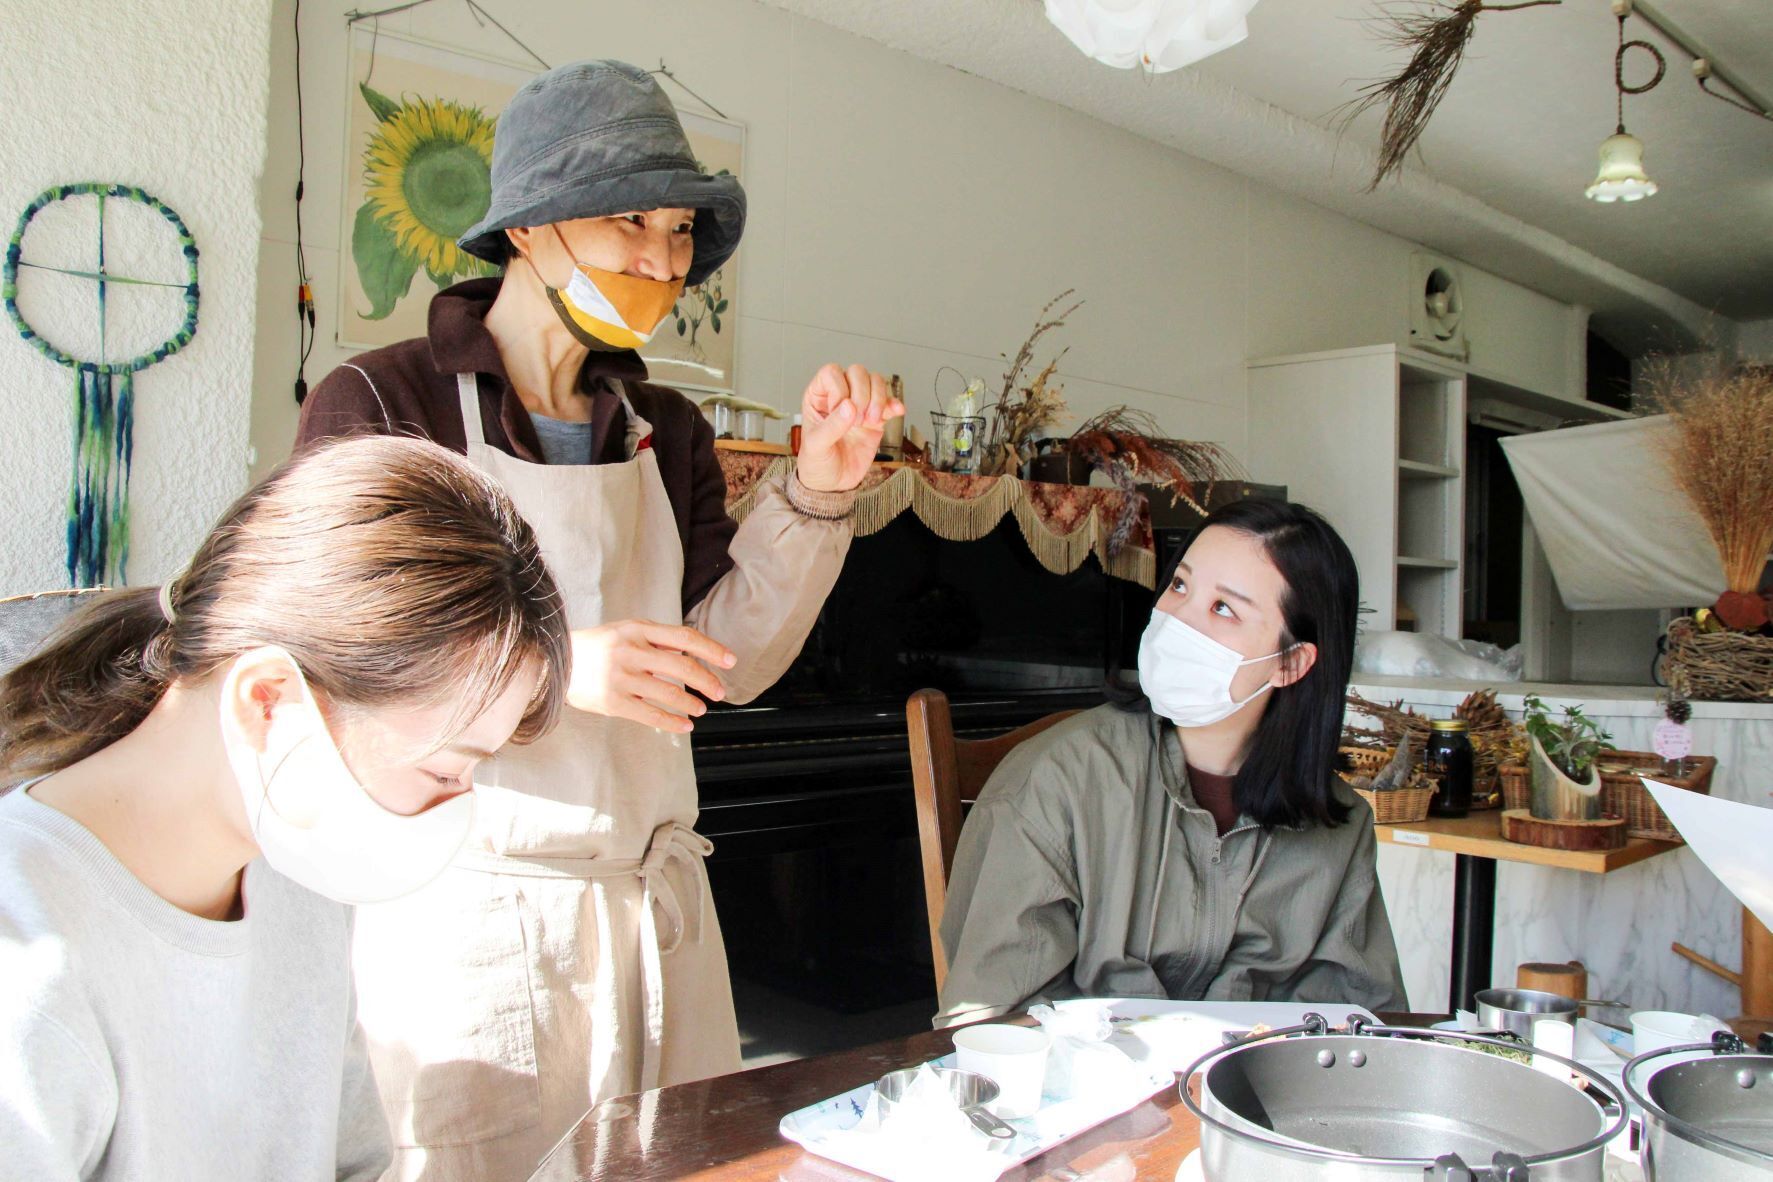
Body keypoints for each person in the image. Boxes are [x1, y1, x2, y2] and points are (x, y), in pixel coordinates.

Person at [296, 60, 902, 1177]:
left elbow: (730, 663)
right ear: (527, 228)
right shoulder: (384, 401)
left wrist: (820, 485)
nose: (663, 261)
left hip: (659, 921)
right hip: (476, 931)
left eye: (679, 230)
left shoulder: (666, 428)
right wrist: (551, 665)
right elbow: (329, 651)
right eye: (631, 219)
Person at [0, 436, 571, 1181]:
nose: (456, 808)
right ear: (268, 701)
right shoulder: (28, 962)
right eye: (443, 770)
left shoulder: (296, 877)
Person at [936, 499, 1407, 1027]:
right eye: (1180, 585)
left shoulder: (1340, 825)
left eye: (1223, 608)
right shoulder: (1055, 782)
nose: (1177, 618)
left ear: (1290, 662)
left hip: (1258, 1079)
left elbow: (1360, 1022)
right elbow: (992, 1020)